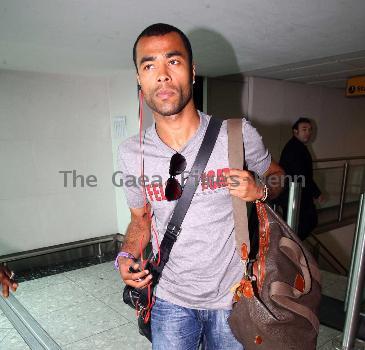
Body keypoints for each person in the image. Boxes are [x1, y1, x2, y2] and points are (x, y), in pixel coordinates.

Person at [116, 23, 284, 350]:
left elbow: (279, 177)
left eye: (173, 62)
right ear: (139, 77)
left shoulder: (236, 134)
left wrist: (260, 190)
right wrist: (126, 254)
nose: (161, 75)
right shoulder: (131, 152)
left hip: (233, 299)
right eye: (149, 65)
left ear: (192, 72)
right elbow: (140, 221)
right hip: (168, 300)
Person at [278, 117, 323, 240]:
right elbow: (301, 174)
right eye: (304, 129)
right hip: (294, 193)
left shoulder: (297, 146)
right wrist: (316, 193)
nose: (308, 132)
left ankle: (292, 246)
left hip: (295, 192)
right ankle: (292, 247)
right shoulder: (295, 148)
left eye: (310, 130)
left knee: (299, 224)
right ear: (295, 131)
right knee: (307, 222)